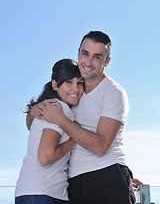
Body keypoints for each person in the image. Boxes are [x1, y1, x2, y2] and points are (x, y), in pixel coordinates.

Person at [29, 31, 136, 203]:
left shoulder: (113, 92)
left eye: (97, 57)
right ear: (78, 53)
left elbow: (101, 146)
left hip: (108, 175)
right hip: (74, 182)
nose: (88, 62)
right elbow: (35, 123)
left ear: (106, 62)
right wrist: (35, 110)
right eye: (85, 54)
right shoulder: (72, 91)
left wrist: (61, 120)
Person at [15, 59, 84, 204]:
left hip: (29, 191)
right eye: (69, 82)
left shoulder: (50, 106)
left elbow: (31, 126)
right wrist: (75, 137)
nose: (76, 89)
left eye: (80, 82)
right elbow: (45, 157)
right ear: (55, 85)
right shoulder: (59, 108)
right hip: (42, 193)